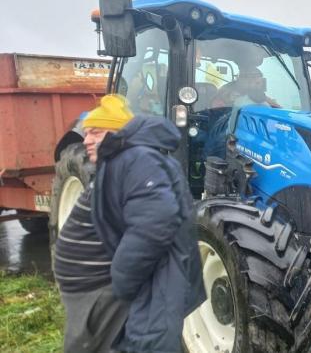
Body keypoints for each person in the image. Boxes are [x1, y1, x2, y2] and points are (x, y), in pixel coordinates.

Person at [54, 94, 205, 352]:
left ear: (117, 133)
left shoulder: (137, 159)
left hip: (121, 291)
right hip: (103, 293)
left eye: (95, 132)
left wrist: (122, 279)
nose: (86, 139)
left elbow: (155, 222)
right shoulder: (125, 160)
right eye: (87, 133)